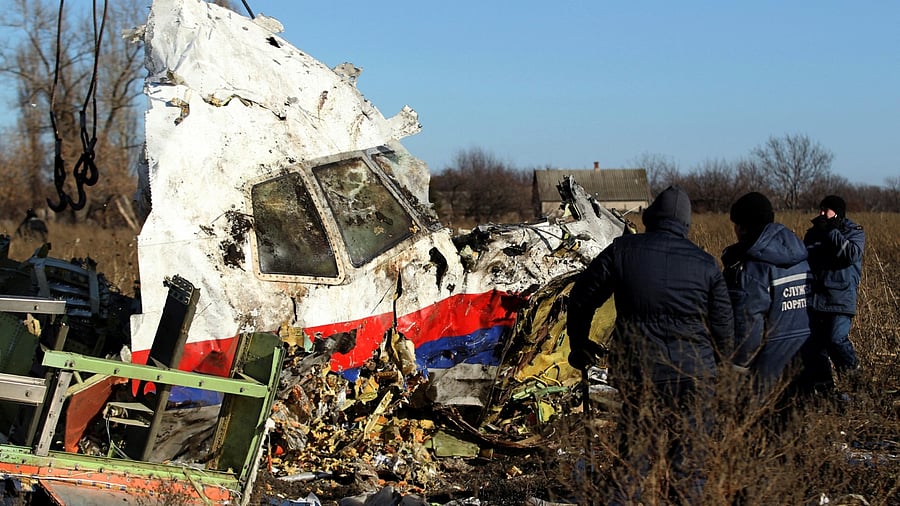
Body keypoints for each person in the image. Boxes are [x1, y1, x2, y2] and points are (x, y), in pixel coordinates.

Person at [567, 185, 734, 504]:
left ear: (651, 217)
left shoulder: (623, 251)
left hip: (641, 374)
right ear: (685, 225)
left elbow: (581, 299)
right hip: (696, 377)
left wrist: (580, 344)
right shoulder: (706, 264)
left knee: (634, 461)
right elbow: (725, 331)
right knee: (689, 465)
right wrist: (721, 373)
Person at [721, 192, 811, 398]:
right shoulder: (800, 256)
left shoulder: (751, 268)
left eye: (735, 224)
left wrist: (736, 368)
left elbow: (748, 327)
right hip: (806, 361)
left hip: (767, 374)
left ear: (743, 226)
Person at [800, 195, 865, 395]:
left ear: (837, 212)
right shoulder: (813, 234)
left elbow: (852, 254)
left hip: (840, 298)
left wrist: (831, 232)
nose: (821, 213)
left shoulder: (853, 233)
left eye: (826, 209)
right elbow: (804, 260)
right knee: (815, 347)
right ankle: (825, 390)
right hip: (815, 298)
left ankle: (854, 379)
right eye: (820, 209)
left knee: (836, 339)